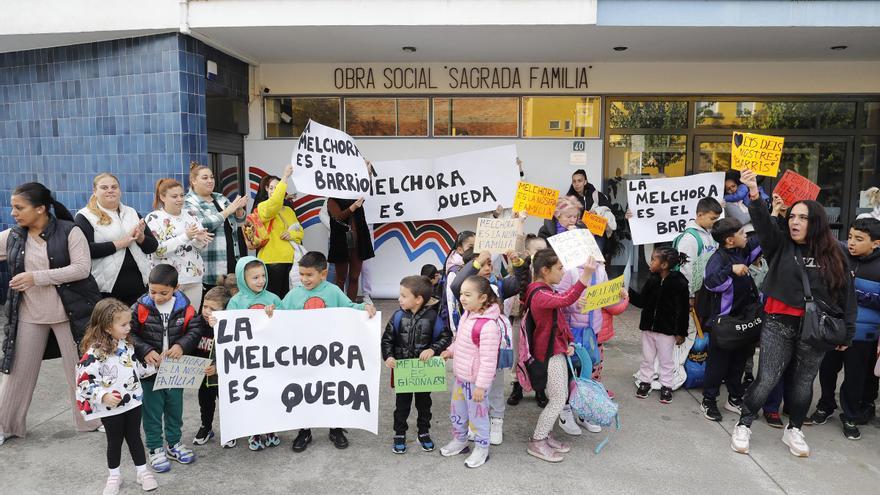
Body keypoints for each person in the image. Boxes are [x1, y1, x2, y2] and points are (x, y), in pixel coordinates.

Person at [730, 169, 857, 458]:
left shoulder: (836, 253)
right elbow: (763, 224)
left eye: (803, 217)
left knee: (803, 383)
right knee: (767, 378)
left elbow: (847, 296)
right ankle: (744, 423)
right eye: (793, 217)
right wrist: (752, 191)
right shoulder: (779, 244)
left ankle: (795, 428)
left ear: (817, 223)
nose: (796, 222)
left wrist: (847, 333)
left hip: (816, 329)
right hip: (778, 323)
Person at [0, 182, 102, 446]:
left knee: (79, 370)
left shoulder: (71, 231)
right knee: (16, 373)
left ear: (41, 209)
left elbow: (81, 268)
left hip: (70, 314)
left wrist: (36, 277)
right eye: (13, 207)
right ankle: (6, 426)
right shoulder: (13, 236)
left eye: (19, 208)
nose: (14, 213)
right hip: (28, 314)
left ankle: (91, 420)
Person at [281, 251, 376, 452]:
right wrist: (268, 314)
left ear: (323, 274)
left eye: (309, 275)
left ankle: (336, 429)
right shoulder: (294, 294)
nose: (304, 279)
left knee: (332, 390)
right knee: (304, 392)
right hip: (303, 357)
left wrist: (365, 308)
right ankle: (304, 431)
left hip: (330, 355)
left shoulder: (333, 292)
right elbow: (280, 316)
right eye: (302, 274)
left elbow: (350, 308)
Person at [75, 298, 158, 494]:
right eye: (123, 324)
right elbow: (84, 382)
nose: (129, 327)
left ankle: (142, 472)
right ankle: (114, 475)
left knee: (135, 437)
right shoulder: (93, 353)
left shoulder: (126, 345)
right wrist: (103, 396)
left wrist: (152, 367)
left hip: (133, 402)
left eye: (129, 323)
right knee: (114, 441)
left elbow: (133, 369)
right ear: (106, 326)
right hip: (110, 408)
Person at [809, 217, 880, 440]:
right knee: (828, 370)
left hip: (863, 335)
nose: (851, 243)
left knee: (855, 377)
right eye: (850, 237)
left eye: (859, 239)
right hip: (834, 328)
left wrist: (856, 290)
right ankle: (825, 405)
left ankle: (850, 414)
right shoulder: (839, 255)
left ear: (876, 243)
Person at [522, 249, 595, 463]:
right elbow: (567, 298)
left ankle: (545, 435)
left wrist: (568, 341)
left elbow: (558, 320)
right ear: (545, 270)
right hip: (549, 355)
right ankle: (538, 440)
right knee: (557, 399)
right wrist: (587, 274)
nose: (564, 273)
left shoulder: (546, 289)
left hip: (557, 350)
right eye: (560, 268)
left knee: (558, 396)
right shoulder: (540, 294)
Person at [130, 265, 204, 472]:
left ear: (176, 288)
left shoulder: (185, 307)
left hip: (175, 369)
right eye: (152, 291)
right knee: (152, 411)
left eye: (163, 292)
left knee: (174, 408)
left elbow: (195, 329)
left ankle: (174, 443)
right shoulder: (140, 307)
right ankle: (155, 448)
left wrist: (181, 345)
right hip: (149, 370)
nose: (157, 296)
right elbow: (130, 333)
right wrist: (145, 350)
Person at [450, 249, 525, 445]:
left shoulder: (498, 285)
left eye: (489, 263)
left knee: (496, 387)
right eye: (481, 264)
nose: (486, 267)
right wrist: (476, 263)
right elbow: (456, 284)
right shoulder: (465, 290)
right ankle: (474, 424)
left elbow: (520, 282)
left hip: (494, 347)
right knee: (469, 390)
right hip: (469, 353)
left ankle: (496, 420)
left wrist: (517, 264)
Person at [699, 217, 763, 422]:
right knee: (717, 365)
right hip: (724, 323)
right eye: (742, 233)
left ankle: (734, 398)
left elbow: (760, 240)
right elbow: (710, 283)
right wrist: (731, 271)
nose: (747, 236)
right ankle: (709, 400)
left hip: (744, 320)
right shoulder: (718, 259)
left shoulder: (741, 251)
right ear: (729, 240)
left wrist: (773, 214)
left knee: (739, 362)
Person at [382, 275, 452, 454]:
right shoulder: (397, 316)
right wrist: (388, 356)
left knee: (424, 404)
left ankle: (424, 431)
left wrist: (433, 350)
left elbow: (446, 336)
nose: (399, 299)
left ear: (418, 299)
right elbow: (387, 340)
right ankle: (399, 433)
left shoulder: (433, 317)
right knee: (402, 405)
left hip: (424, 372)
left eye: (404, 296)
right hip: (403, 371)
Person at [438, 275, 502, 468]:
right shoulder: (467, 314)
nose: (462, 298)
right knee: (457, 412)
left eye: (467, 294)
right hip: (461, 378)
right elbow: (461, 341)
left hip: (476, 383)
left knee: (478, 417)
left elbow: (489, 361)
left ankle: (482, 447)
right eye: (461, 294)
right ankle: (460, 440)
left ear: (482, 298)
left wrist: (481, 387)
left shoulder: (488, 325)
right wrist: (450, 351)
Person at [225, 256, 283, 451]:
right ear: (243, 279)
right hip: (247, 360)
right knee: (253, 396)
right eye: (255, 278)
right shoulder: (235, 302)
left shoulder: (273, 299)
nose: (261, 281)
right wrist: (217, 323)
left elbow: (287, 325)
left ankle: (271, 428)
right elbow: (228, 328)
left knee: (270, 394)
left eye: (263, 276)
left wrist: (274, 315)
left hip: (271, 358)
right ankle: (254, 431)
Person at [75, 173, 159, 306]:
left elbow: (152, 247)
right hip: (106, 290)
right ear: (95, 191)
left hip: (138, 287)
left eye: (114, 187)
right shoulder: (85, 216)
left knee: (137, 326)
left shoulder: (131, 212)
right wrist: (120, 243)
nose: (110, 190)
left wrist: (141, 237)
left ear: (120, 190)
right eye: (104, 187)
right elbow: (85, 250)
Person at [554, 259, 609, 435]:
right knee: (569, 371)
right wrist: (575, 305)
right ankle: (566, 411)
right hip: (571, 330)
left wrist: (618, 294)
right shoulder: (569, 270)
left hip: (591, 331)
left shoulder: (600, 269)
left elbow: (606, 295)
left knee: (586, 372)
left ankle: (583, 410)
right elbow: (560, 298)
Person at [630, 247, 690, 404]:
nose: (650, 263)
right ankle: (645, 382)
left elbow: (682, 310)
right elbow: (642, 301)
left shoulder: (680, 283)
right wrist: (627, 293)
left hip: (667, 331)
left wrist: (680, 332)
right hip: (648, 328)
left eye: (653, 260)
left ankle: (667, 386)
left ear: (664, 265)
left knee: (666, 360)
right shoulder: (652, 280)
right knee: (647, 358)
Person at [145, 179, 212, 311]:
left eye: (182, 195)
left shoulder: (191, 215)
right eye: (174, 196)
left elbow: (199, 248)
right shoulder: (154, 218)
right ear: (162, 197)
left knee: (191, 320)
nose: (180, 199)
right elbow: (157, 250)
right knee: (170, 322)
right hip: (167, 281)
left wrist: (200, 240)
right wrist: (185, 236)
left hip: (193, 278)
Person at [184, 162, 248, 293]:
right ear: (193, 181)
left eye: (212, 177)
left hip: (232, 259)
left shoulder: (220, 198)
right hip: (210, 267)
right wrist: (228, 211)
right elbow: (202, 225)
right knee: (214, 305)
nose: (210, 181)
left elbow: (239, 221)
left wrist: (239, 209)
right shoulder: (188, 202)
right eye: (205, 178)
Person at [251, 165, 305, 299]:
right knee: (273, 299)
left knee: (289, 298)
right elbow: (275, 202)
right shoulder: (263, 207)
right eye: (271, 188)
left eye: (277, 187)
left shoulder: (288, 210)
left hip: (291, 262)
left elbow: (300, 232)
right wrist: (285, 177)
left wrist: (291, 234)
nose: (274, 190)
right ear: (266, 190)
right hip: (271, 262)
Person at [507, 234, 549, 407]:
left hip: (541, 320)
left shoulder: (548, 270)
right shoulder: (519, 268)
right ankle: (517, 386)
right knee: (519, 353)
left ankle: (540, 388)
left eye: (545, 250)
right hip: (521, 318)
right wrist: (520, 223)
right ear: (527, 252)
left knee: (539, 354)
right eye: (538, 250)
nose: (542, 254)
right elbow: (514, 260)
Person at [191, 286, 235, 448]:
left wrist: (217, 366)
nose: (207, 311)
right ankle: (206, 427)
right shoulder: (197, 323)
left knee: (226, 402)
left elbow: (232, 351)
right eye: (205, 306)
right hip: (203, 374)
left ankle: (230, 430)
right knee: (205, 402)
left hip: (222, 374)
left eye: (213, 309)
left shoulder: (228, 327)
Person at [327, 194, 375, 301]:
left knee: (354, 277)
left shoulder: (357, 198)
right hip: (341, 244)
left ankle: (350, 305)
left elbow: (366, 182)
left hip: (358, 244)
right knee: (341, 278)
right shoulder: (332, 200)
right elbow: (338, 217)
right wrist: (353, 207)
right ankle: (339, 305)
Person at [673, 196, 722, 297]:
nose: (715, 222)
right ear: (700, 215)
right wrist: (690, 295)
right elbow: (686, 269)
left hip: (706, 291)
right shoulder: (689, 239)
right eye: (712, 218)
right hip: (693, 294)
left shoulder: (711, 234)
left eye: (717, 218)